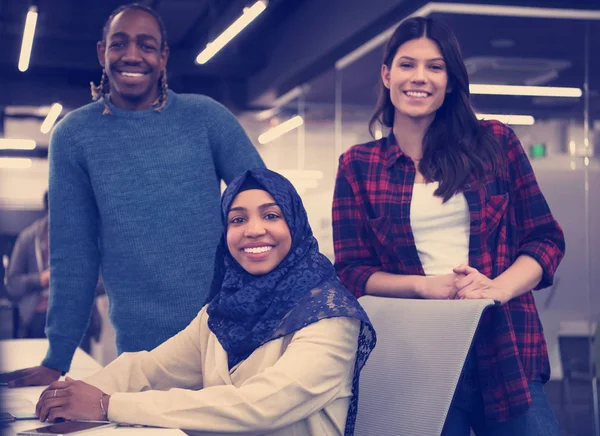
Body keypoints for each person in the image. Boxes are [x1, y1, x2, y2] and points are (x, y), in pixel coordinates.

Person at [1, 3, 264, 388]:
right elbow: (73, 254)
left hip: (227, 335)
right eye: (119, 44)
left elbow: (270, 205)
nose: (132, 55)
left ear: (163, 56)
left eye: (146, 45)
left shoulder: (207, 119)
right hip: (143, 353)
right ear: (101, 53)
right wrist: (57, 357)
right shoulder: (74, 137)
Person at [332, 16, 565, 436]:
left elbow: (544, 240)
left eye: (435, 67)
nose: (419, 77)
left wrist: (497, 288)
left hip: (505, 346)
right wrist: (424, 286)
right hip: (417, 355)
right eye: (407, 64)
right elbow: (351, 273)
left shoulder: (495, 143)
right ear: (386, 74)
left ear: (451, 81)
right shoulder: (358, 166)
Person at [35, 168, 375, 436]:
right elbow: (150, 369)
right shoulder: (222, 313)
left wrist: (108, 405)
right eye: (238, 219)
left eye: (271, 215)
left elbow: (258, 406)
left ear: (296, 225)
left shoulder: (331, 316)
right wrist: (74, 395)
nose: (253, 230)